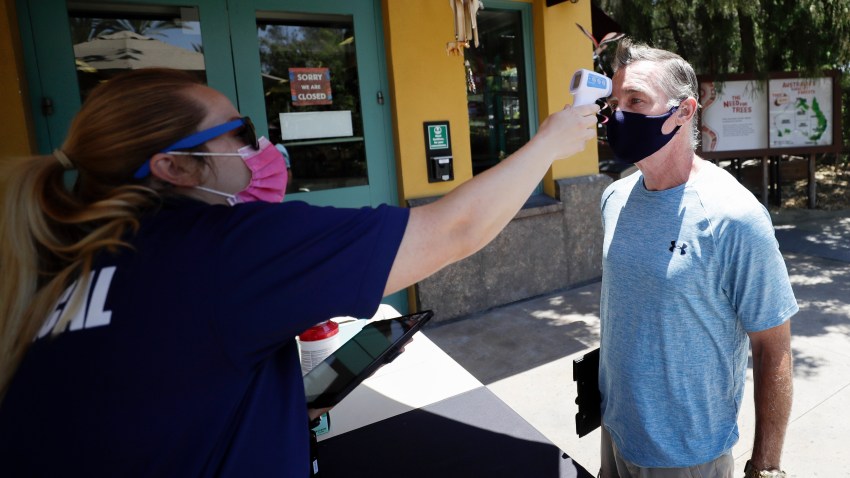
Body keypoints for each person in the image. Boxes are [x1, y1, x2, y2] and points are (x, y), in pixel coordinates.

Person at [0, 68, 598, 476]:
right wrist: (549, 140)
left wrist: (274, 403)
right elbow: (453, 231)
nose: (261, 148)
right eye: (240, 134)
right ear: (174, 168)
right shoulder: (220, 250)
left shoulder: (49, 260)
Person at [597, 38, 797, 478]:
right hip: (614, 434)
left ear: (684, 112)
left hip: (688, 455)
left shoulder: (735, 216)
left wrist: (766, 465)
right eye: (614, 101)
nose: (618, 113)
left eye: (635, 100)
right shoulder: (613, 198)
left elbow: (774, 346)